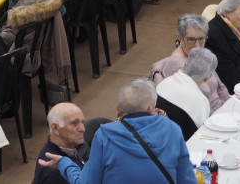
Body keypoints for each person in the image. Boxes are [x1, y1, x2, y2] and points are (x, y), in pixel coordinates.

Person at [38, 79, 194, 184]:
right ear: (151, 109)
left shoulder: (105, 136)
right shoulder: (172, 129)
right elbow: (187, 179)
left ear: (118, 110)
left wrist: (64, 163)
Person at [149, 14, 230, 113]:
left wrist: (229, 106)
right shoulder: (179, 67)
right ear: (180, 38)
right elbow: (193, 106)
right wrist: (222, 115)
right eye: (191, 39)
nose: (197, 45)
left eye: (201, 39)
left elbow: (220, 87)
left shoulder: (201, 55)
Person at [155, 47, 216, 131]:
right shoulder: (201, 101)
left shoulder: (162, 85)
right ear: (208, 78)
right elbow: (201, 133)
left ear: (185, 64)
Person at [33, 103, 87, 184]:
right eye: (74, 124)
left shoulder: (68, 148)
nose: (82, 129)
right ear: (55, 128)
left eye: (82, 122)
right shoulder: (54, 173)